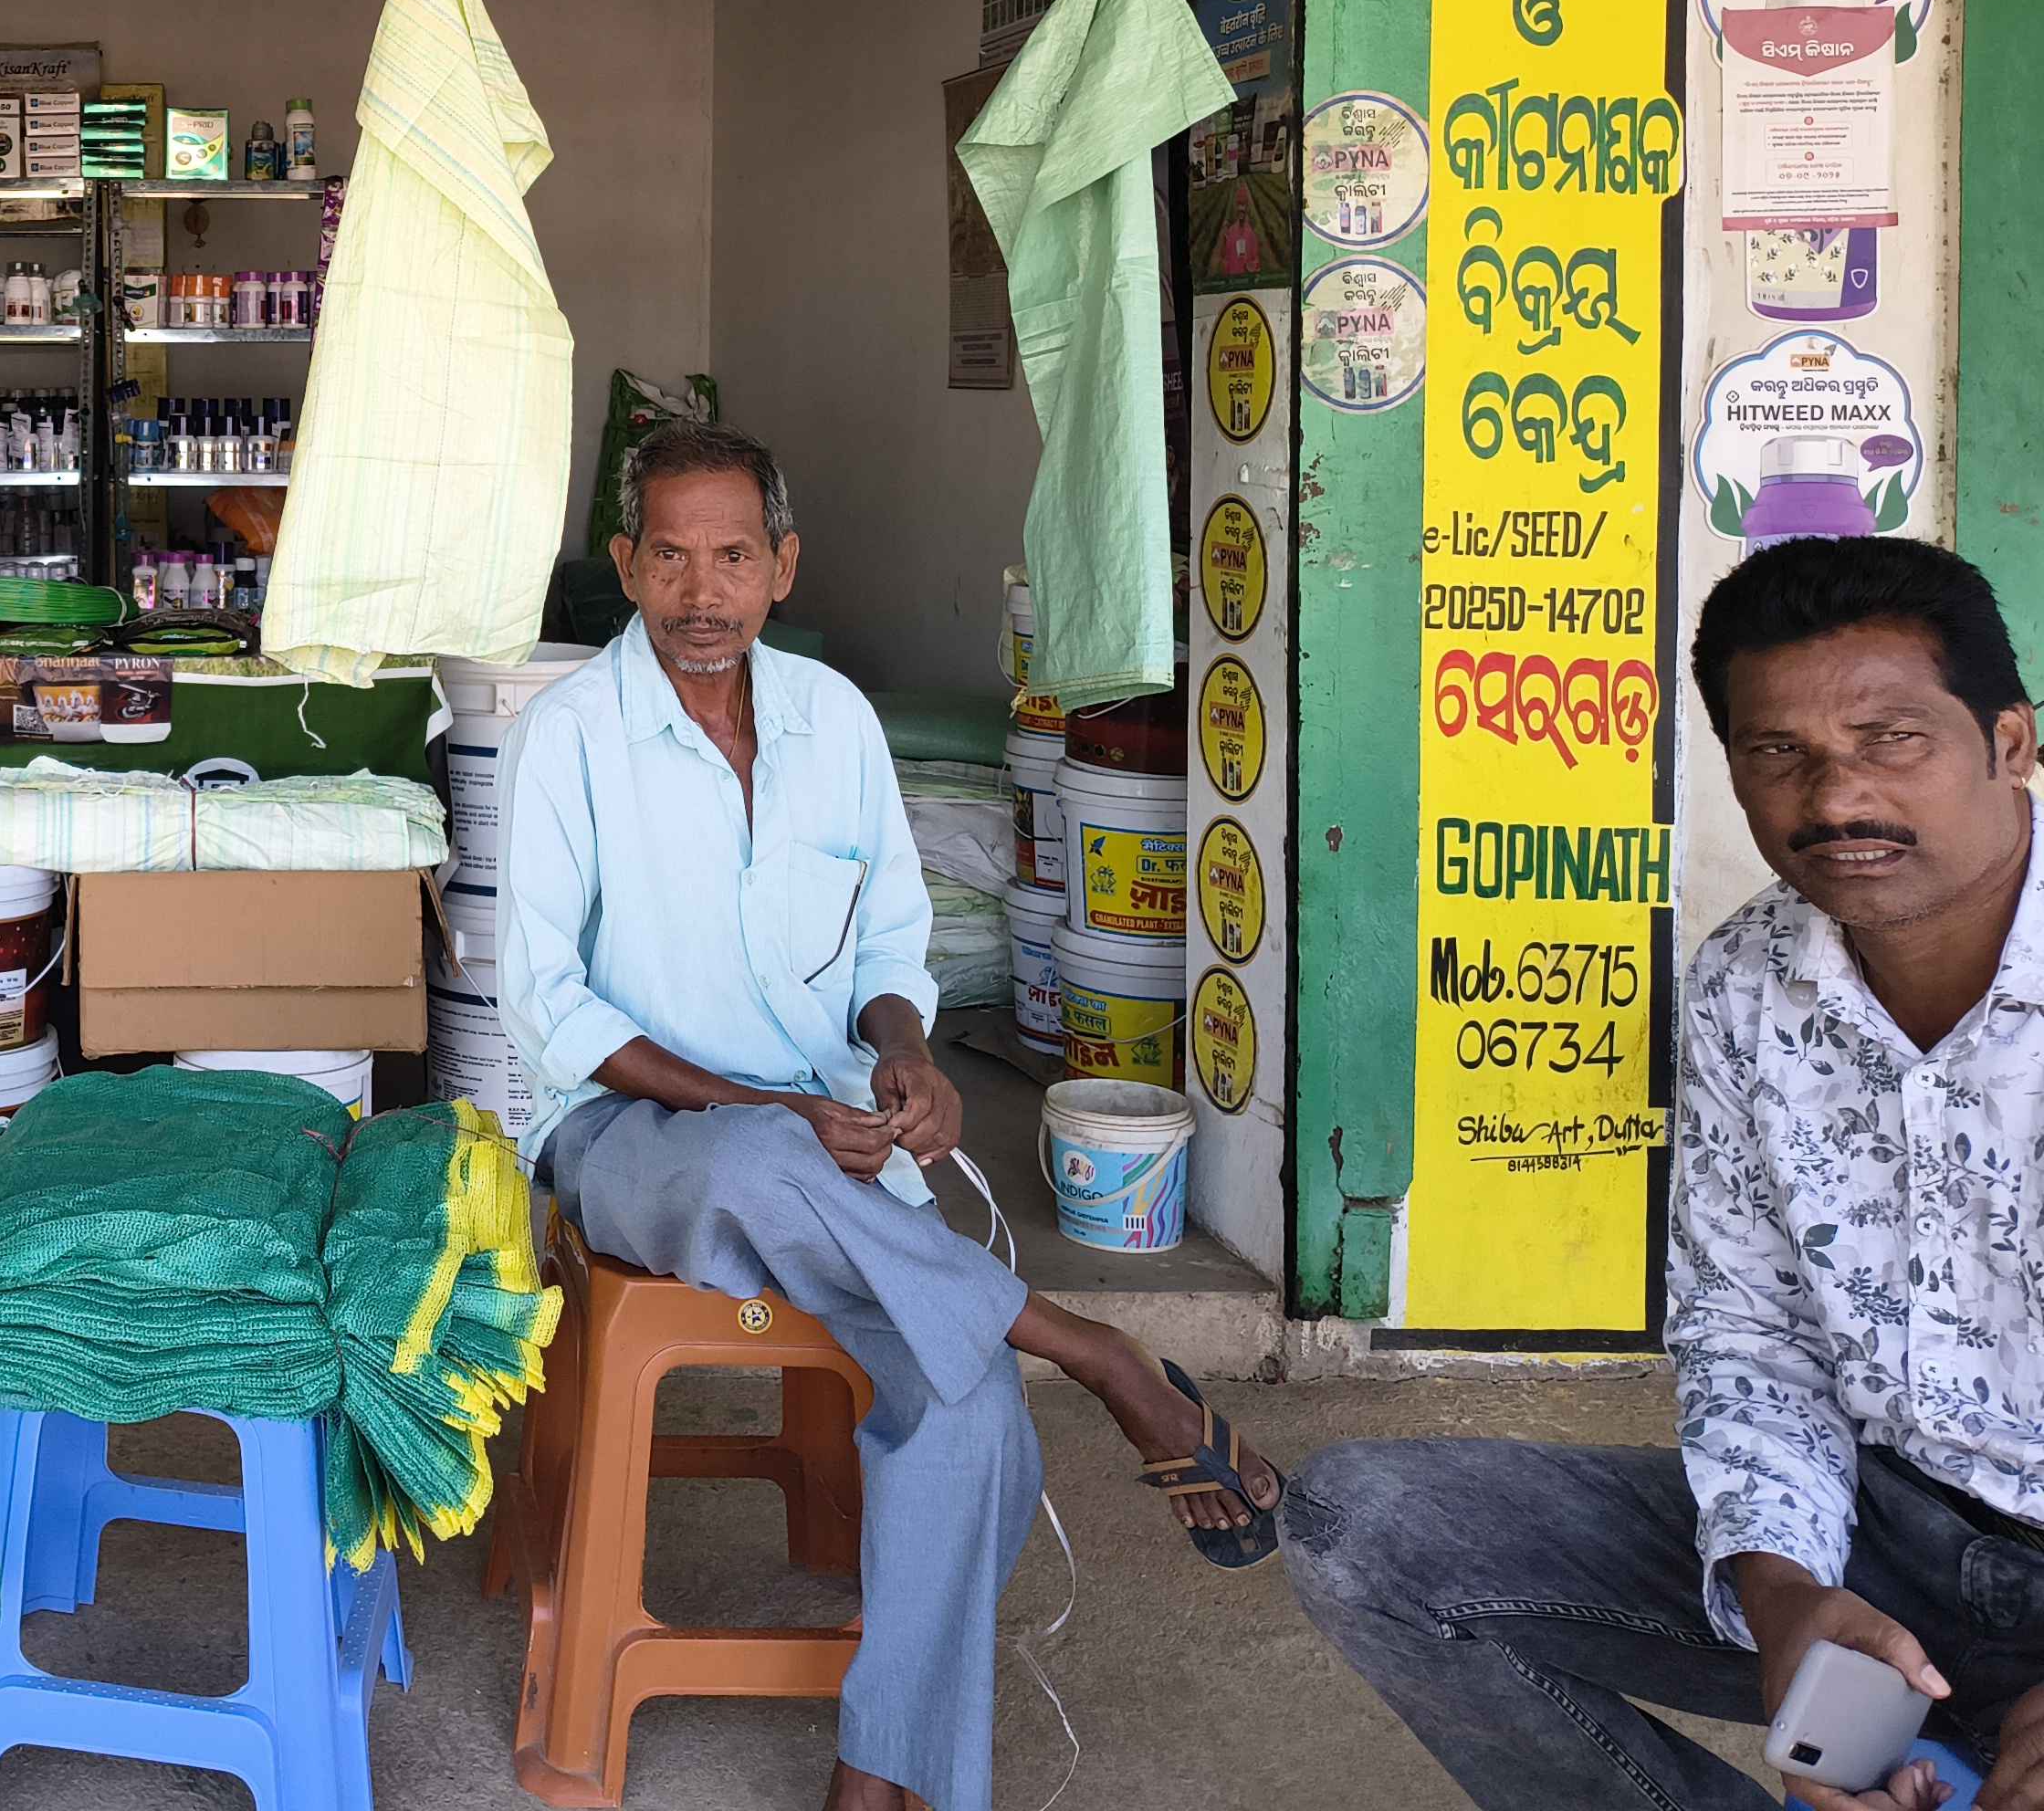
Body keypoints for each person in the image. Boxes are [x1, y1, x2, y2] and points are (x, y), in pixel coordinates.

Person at [498, 419, 1284, 1811]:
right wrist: (770, 1108)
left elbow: (889, 948)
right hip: (633, 1143)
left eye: (732, 557)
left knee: (969, 1402)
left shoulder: (835, 722)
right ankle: (1093, 1350)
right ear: (624, 565)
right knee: (756, 1157)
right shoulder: (567, 739)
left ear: (783, 565)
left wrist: (908, 1053)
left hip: (830, 1149)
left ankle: (879, 1777)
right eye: (669, 558)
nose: (700, 593)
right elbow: (549, 1006)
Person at [1287, 536, 2044, 1811]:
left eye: (1892, 739)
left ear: (2010, 743)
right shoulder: (1750, 982)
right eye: (1778, 752)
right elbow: (1750, 1330)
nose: (1835, 798)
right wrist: (1780, 1586)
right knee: (1367, 1528)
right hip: (1883, 1534)